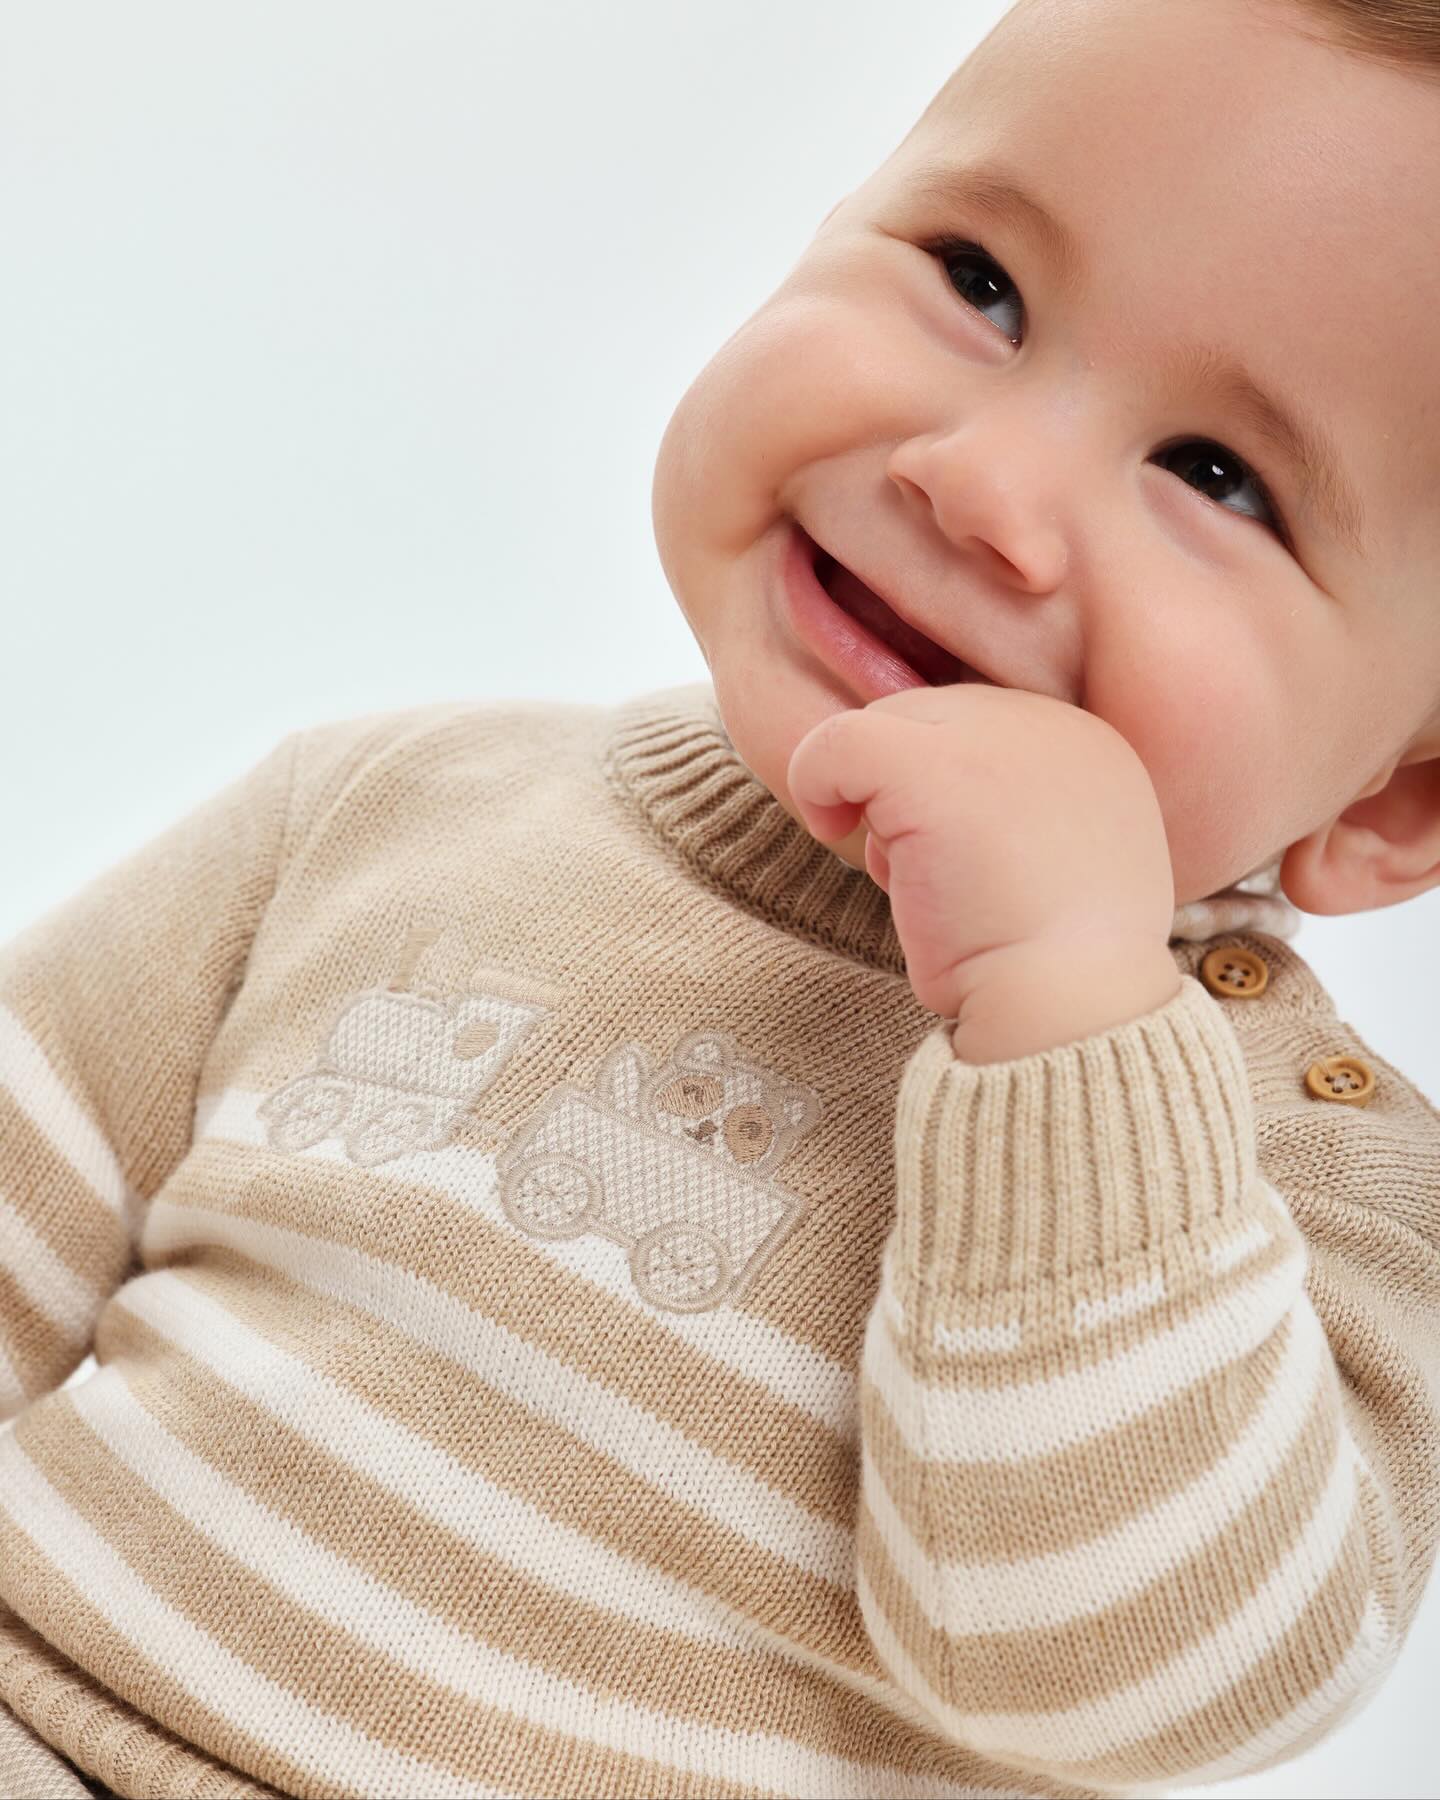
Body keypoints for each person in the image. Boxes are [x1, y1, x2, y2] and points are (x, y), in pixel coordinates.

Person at [3, 0, 1439, 1794]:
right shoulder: (389, 807)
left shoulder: (1318, 1200)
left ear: (1394, 797)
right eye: (980, 280)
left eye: (1218, 477)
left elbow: (1125, 1679)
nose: (979, 485)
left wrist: (1072, 1021)